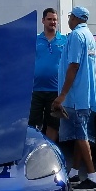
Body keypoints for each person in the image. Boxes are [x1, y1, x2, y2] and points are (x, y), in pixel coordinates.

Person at [53, 6, 96, 191]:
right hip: (85, 95)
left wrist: (62, 95)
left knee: (81, 136)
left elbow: (73, 66)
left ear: (74, 18)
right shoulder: (89, 35)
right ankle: (74, 172)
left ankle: (93, 178)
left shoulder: (75, 36)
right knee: (79, 134)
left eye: (70, 17)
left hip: (76, 96)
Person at [29, 7, 66, 141]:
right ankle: (34, 149)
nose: (52, 22)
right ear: (43, 21)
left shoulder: (64, 40)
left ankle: (49, 150)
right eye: (49, 19)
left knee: (53, 124)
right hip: (36, 90)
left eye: (55, 19)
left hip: (55, 91)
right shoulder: (35, 40)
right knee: (32, 125)